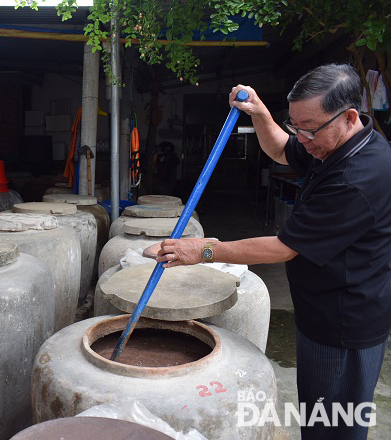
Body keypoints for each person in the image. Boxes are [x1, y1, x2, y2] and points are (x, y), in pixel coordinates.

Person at [151, 64, 391, 439]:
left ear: (348, 118)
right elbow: (281, 150)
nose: (302, 138)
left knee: (336, 425)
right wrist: (260, 112)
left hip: (344, 323)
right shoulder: (332, 142)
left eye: (309, 129)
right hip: (320, 308)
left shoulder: (358, 178)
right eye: (296, 125)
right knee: (318, 416)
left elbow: (284, 248)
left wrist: (205, 251)